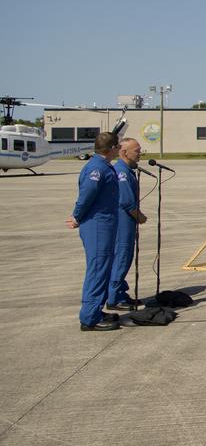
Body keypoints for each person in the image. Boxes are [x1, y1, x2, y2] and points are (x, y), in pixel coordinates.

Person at [65, 132, 122, 331]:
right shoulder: (96, 169)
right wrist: (77, 216)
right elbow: (87, 195)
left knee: (103, 268)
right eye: (118, 146)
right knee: (98, 269)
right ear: (113, 148)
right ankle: (90, 318)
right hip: (98, 226)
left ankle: (95, 309)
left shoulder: (103, 166)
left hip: (104, 224)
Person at [107, 137, 147, 310]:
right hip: (123, 222)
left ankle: (120, 292)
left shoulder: (127, 170)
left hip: (127, 222)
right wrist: (140, 216)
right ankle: (114, 298)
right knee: (122, 257)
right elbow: (126, 201)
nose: (140, 154)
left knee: (125, 257)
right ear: (124, 152)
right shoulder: (121, 172)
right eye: (136, 151)